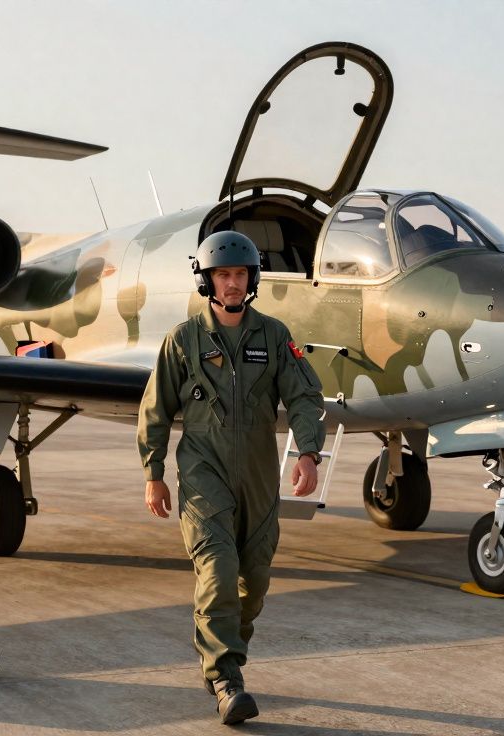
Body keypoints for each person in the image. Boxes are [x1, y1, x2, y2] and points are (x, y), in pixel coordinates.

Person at [136, 230, 326, 725]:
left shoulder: (274, 335)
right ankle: (225, 679)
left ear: (252, 279)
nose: (233, 283)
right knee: (217, 570)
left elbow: (305, 396)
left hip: (260, 477)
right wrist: (153, 472)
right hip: (204, 471)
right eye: (223, 275)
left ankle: (224, 652)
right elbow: (155, 409)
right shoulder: (184, 340)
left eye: (240, 274)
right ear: (207, 281)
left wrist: (308, 452)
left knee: (254, 582)